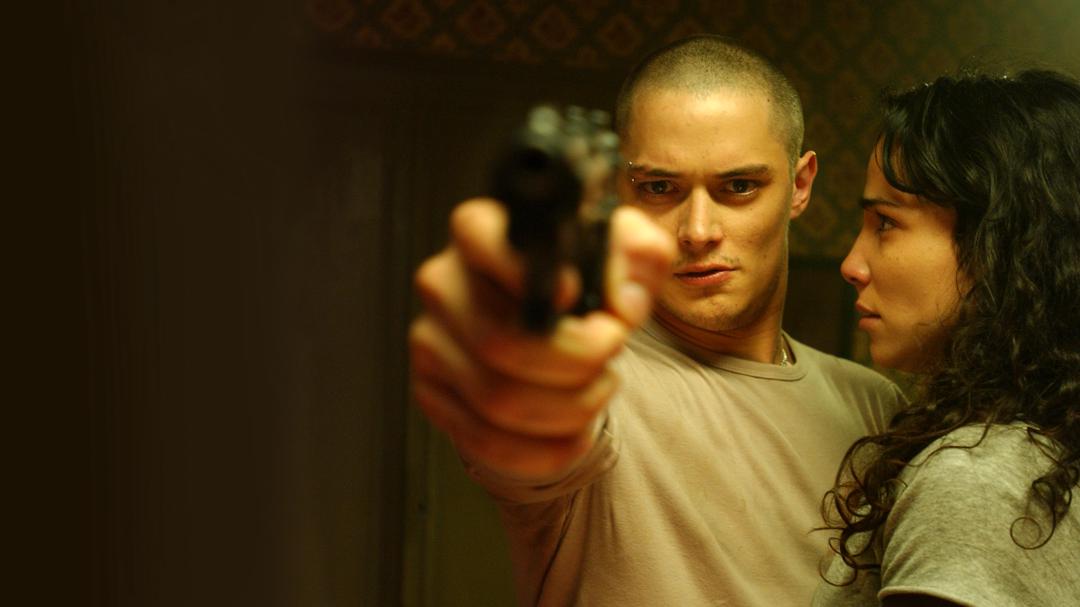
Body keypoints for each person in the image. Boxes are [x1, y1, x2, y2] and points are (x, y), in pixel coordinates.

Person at [410, 36, 905, 606]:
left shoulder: (874, 407)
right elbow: (531, 430)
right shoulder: (597, 380)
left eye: (739, 187)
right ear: (620, 192)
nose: (698, 231)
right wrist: (507, 362)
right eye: (660, 188)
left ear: (799, 185)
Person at [815, 70, 1080, 606]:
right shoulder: (1044, 452)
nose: (851, 264)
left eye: (885, 223)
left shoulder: (978, 481)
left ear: (997, 243)